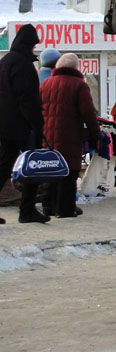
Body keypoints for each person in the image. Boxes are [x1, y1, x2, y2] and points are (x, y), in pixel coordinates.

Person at [40, 53, 101, 218]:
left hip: (47, 136)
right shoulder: (79, 85)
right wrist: (96, 135)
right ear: (75, 68)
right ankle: (65, 209)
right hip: (70, 137)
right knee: (68, 172)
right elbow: (88, 113)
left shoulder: (46, 84)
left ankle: (49, 207)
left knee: (51, 171)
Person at [0, 23, 50, 224]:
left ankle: (27, 210)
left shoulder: (5, 61)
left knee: (3, 166)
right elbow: (27, 99)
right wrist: (37, 125)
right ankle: (27, 210)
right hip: (22, 125)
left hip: (4, 125)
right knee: (33, 166)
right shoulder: (23, 65)